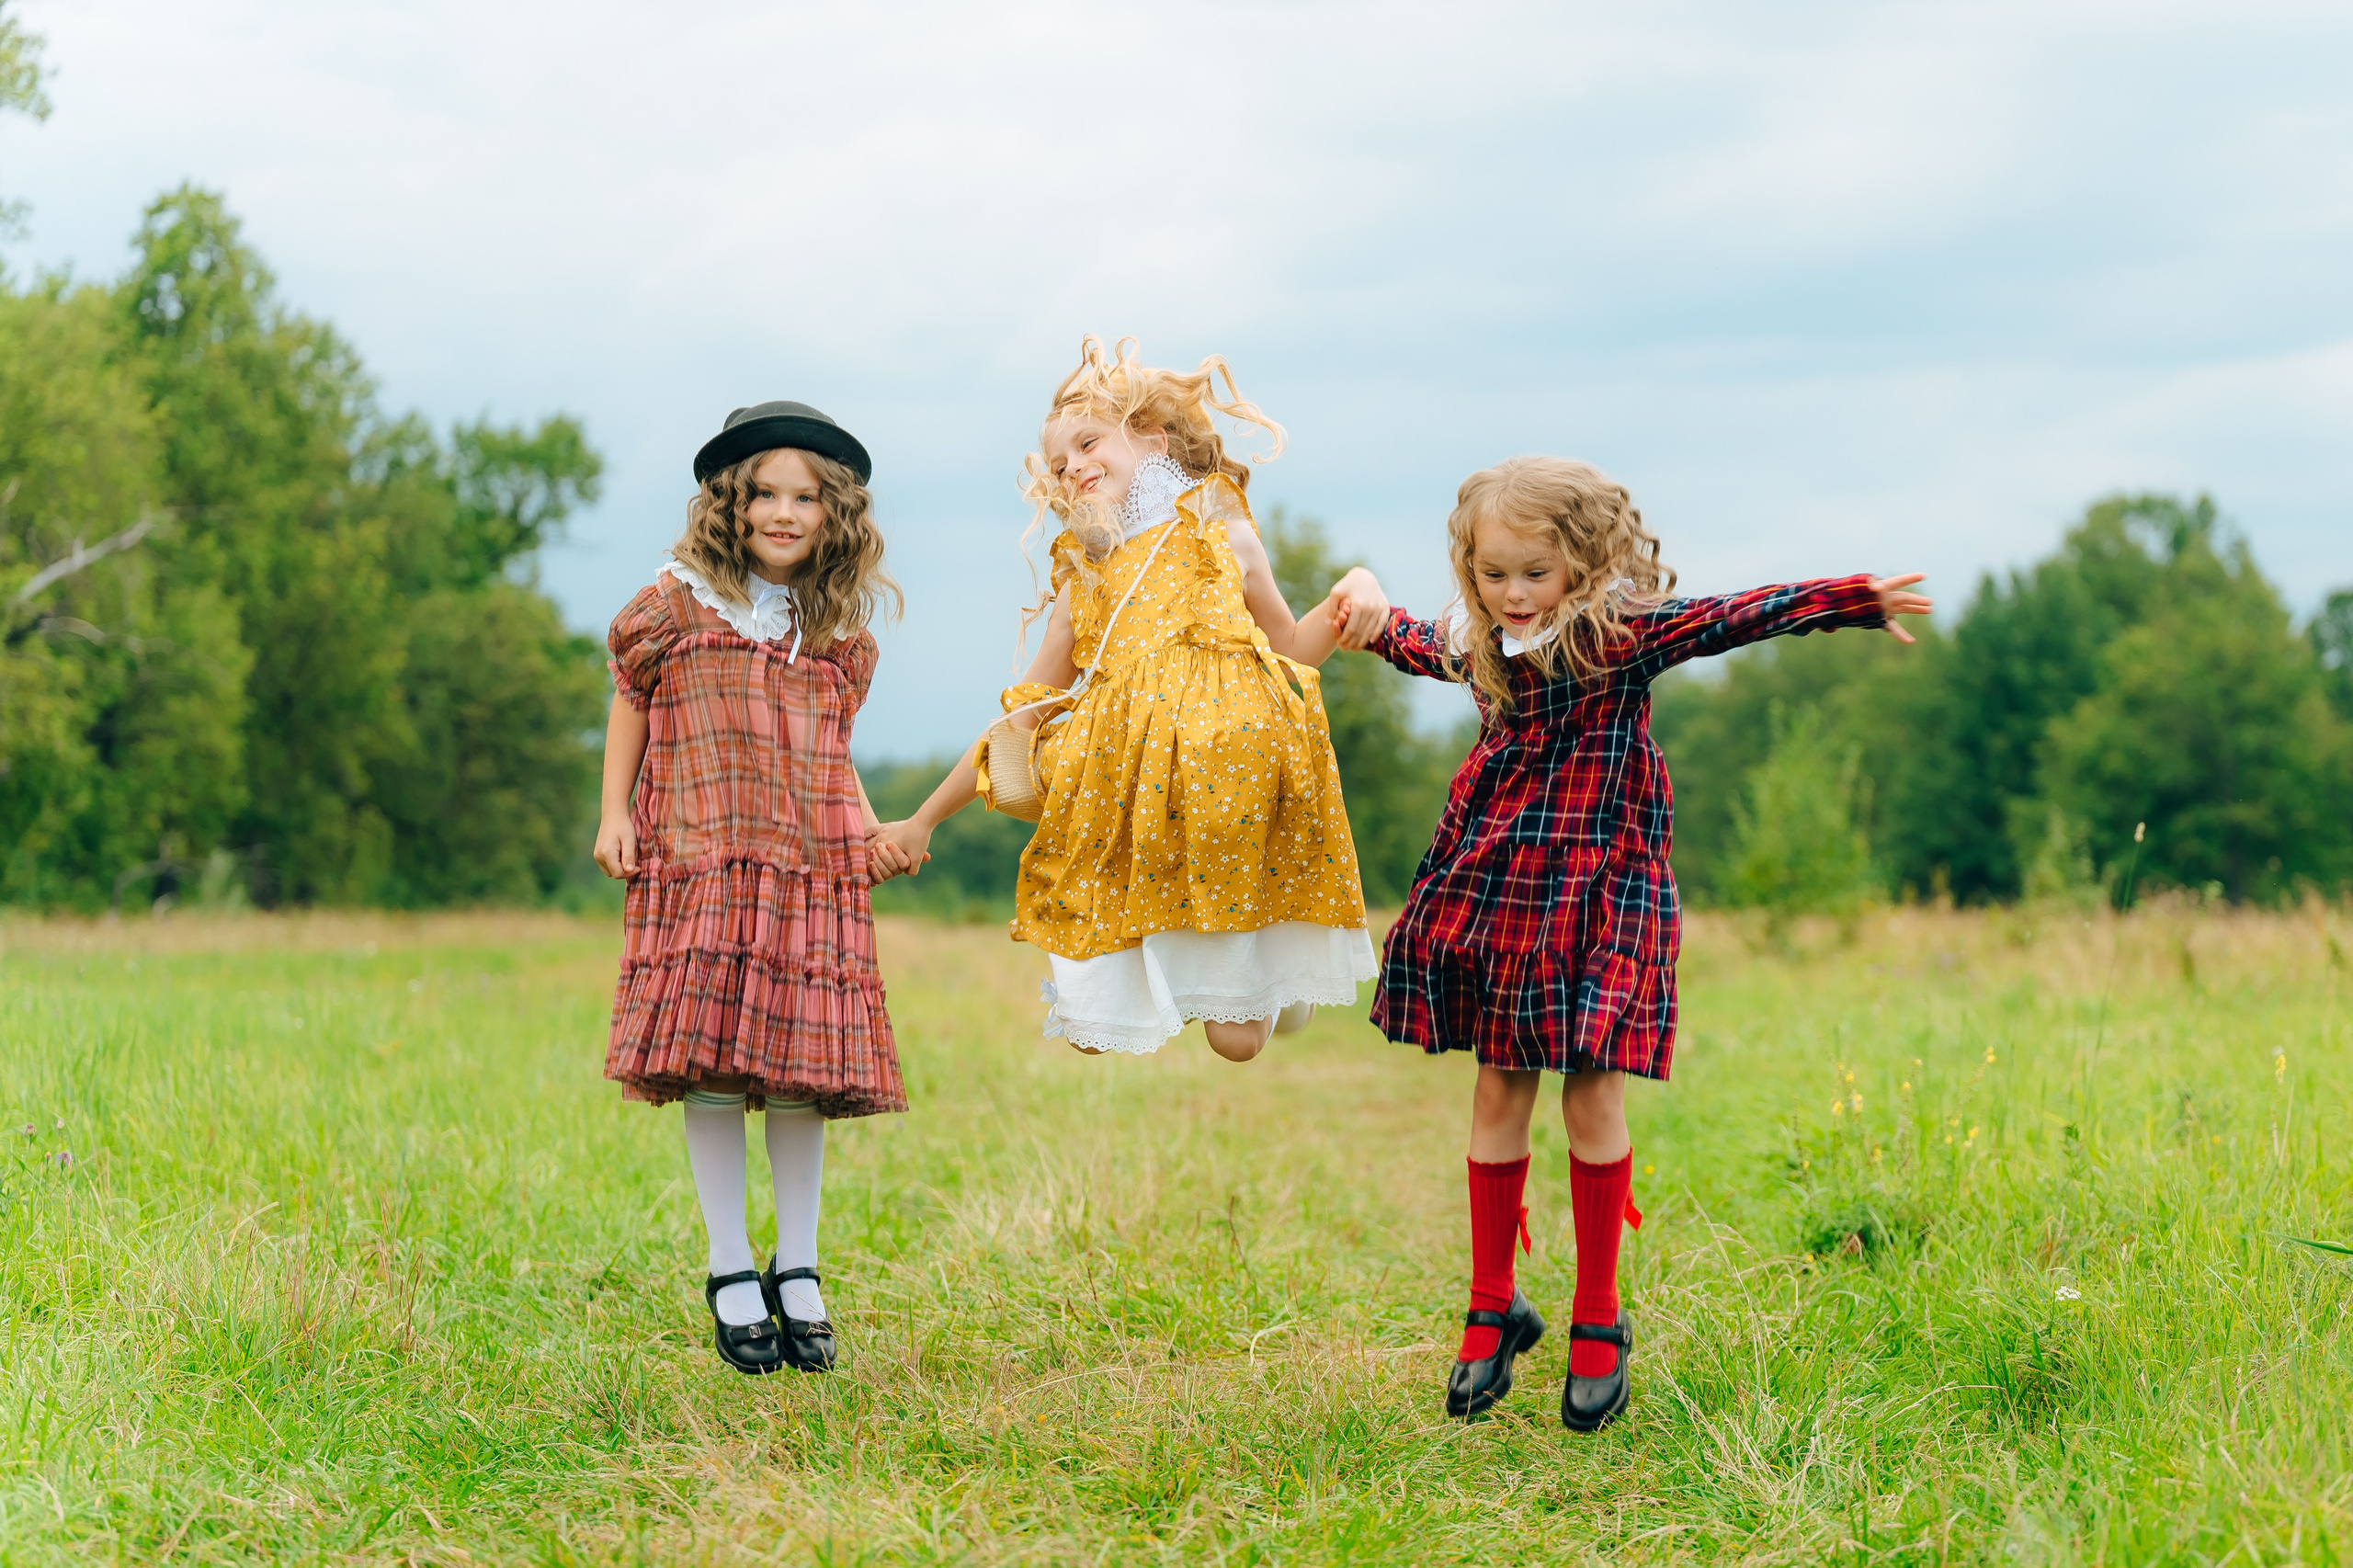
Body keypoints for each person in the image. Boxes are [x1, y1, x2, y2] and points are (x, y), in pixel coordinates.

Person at [1342, 455, 1931, 1429]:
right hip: (1499, 882)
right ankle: (1492, 1304)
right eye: (1493, 574)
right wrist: (1358, 597)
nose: (1514, 594)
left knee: (1591, 1085)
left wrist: (1846, 599)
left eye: (1534, 572)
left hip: (1603, 888)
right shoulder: (1477, 643)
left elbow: (1739, 613)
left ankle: (1598, 1316)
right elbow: (1396, 635)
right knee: (1497, 1083)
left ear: (1581, 561)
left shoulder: (1620, 635)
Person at [877, 337, 1387, 1060]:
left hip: (1231, 796)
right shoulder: (1081, 582)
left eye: (1088, 442)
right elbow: (1019, 722)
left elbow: (1291, 651)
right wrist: (923, 819)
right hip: (1129, 811)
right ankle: (1246, 975)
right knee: (1090, 1034)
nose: (1073, 466)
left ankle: (1281, 980)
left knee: (1237, 1043)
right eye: (1059, 464)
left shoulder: (1222, 531)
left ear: (1149, 438)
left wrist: (1353, 587)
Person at [594, 401, 913, 1377]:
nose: (783, 512)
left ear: (834, 514)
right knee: (717, 1066)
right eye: (764, 494)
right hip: (702, 857)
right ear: (729, 505)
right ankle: (730, 1258)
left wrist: (864, 825)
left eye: (804, 498)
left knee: (799, 1076)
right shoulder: (675, 606)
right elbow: (629, 701)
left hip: (806, 867)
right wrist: (614, 811)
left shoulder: (833, 637)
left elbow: (832, 752)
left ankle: (800, 1261)